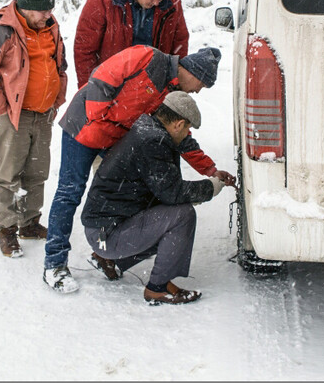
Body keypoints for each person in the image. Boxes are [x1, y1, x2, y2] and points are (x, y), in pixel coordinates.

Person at [42, 44, 236, 292]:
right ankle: (54, 263)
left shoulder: (172, 92)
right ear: (195, 73)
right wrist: (102, 118)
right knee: (70, 192)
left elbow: (180, 137)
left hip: (113, 137)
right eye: (201, 85)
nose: (197, 91)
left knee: (128, 187)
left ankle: (108, 252)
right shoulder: (149, 57)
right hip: (85, 126)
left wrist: (209, 170)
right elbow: (102, 77)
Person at [81, 91, 224, 304]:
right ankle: (157, 288)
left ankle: (107, 258)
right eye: (187, 128)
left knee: (166, 217)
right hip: (104, 235)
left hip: (100, 230)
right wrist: (210, 188)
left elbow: (163, 191)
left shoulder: (147, 129)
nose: (187, 134)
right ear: (178, 124)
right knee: (182, 216)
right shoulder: (153, 142)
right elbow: (172, 192)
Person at [0, 0, 68, 258]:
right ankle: (7, 231)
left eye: (50, 10)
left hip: (43, 113)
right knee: (7, 174)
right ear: (25, 9)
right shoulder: (1, 29)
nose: (48, 15)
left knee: (37, 171)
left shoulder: (50, 27)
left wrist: (57, 97)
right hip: (12, 115)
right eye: (42, 11)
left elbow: (60, 65)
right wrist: (2, 108)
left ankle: (29, 223)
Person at [73, 0, 190, 89]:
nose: (156, 3)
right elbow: (84, 49)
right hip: (112, 85)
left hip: (154, 85)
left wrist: (175, 83)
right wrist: (89, 89)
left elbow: (180, 43)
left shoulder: (171, 2)